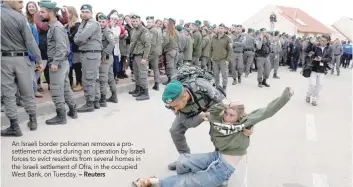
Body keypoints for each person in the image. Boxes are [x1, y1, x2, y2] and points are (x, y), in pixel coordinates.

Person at [132, 87, 294, 187]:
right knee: (183, 161)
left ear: (240, 117)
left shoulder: (244, 123)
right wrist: (225, 106)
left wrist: (286, 95)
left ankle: (156, 182)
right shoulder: (217, 116)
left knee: (187, 181)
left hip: (223, 169)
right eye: (226, 113)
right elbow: (212, 110)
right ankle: (179, 183)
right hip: (216, 155)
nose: (227, 117)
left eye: (231, 115)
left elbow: (267, 111)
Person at [160, 78, 229, 171]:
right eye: (172, 107)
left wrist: (214, 115)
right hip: (191, 112)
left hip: (211, 107)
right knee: (175, 130)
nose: (174, 109)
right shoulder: (173, 104)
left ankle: (220, 165)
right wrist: (201, 117)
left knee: (218, 131)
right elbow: (188, 123)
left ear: (184, 96)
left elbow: (224, 105)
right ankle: (185, 160)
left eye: (175, 106)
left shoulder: (203, 87)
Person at [1, 0, 43, 137]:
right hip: (22, 58)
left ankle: (14, 126)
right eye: (19, 1)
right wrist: (38, 59)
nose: (22, 3)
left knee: (8, 94)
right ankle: (33, 121)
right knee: (27, 91)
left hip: (4, 59)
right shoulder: (19, 17)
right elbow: (29, 41)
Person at [38, 0, 78, 125]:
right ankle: (72, 110)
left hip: (58, 64)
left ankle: (61, 116)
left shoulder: (56, 27)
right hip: (62, 63)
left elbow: (62, 47)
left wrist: (55, 62)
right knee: (65, 89)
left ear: (51, 12)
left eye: (42, 12)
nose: (40, 14)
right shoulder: (54, 26)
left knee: (56, 90)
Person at [74, 4, 102, 112]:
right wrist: (79, 39)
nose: (84, 14)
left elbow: (79, 37)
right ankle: (95, 101)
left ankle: (89, 103)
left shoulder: (92, 23)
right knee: (93, 78)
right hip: (87, 53)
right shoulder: (83, 23)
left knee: (88, 79)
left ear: (91, 13)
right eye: (83, 12)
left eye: (87, 12)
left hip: (91, 54)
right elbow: (76, 38)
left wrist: (79, 39)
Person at [127, 14, 151, 101]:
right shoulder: (133, 30)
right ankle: (138, 90)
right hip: (135, 55)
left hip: (141, 55)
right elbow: (132, 43)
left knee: (142, 75)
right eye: (133, 21)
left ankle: (145, 93)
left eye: (136, 21)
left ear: (140, 21)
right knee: (136, 74)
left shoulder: (144, 31)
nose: (135, 23)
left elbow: (147, 45)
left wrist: (145, 57)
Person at [306, 34, 332, 106]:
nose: (322, 42)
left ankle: (315, 99)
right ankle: (308, 95)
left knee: (319, 85)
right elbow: (307, 50)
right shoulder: (315, 46)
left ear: (327, 41)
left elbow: (330, 58)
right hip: (314, 68)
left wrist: (322, 59)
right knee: (312, 84)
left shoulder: (329, 49)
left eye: (324, 41)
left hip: (322, 70)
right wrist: (310, 42)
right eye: (321, 40)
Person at [96, 13, 115, 107]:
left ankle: (103, 100)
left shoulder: (107, 31)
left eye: (103, 21)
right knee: (110, 77)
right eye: (99, 21)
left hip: (105, 58)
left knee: (103, 79)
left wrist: (105, 53)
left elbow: (112, 43)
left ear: (106, 22)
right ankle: (114, 96)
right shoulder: (100, 30)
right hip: (107, 58)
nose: (101, 23)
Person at [210, 24, 232, 91]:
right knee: (216, 74)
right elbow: (211, 48)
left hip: (223, 60)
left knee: (224, 75)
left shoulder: (227, 38)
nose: (220, 29)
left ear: (224, 29)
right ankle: (217, 87)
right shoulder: (213, 37)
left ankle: (224, 87)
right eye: (219, 28)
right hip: (215, 60)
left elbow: (230, 50)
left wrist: (227, 60)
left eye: (222, 28)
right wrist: (211, 57)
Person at [146, 16, 163, 91]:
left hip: (153, 52)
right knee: (155, 68)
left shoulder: (152, 30)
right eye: (147, 22)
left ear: (153, 23)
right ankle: (156, 84)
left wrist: (148, 54)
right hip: (157, 51)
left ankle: (144, 86)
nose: (148, 23)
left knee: (145, 68)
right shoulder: (156, 30)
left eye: (149, 22)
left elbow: (152, 44)